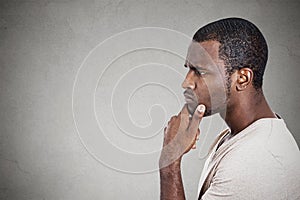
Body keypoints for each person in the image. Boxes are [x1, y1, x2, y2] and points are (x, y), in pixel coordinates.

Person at [159, 17, 300, 200]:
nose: (186, 83)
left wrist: (169, 161)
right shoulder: (240, 136)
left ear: (242, 78)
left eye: (200, 72)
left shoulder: (255, 161)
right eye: (188, 69)